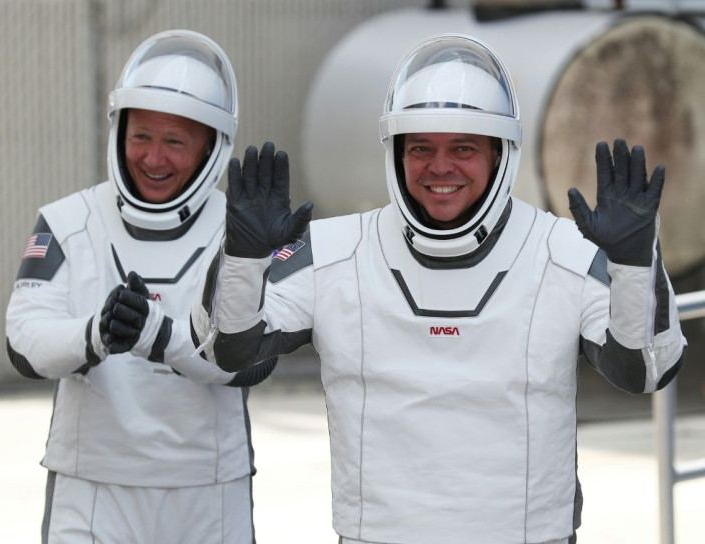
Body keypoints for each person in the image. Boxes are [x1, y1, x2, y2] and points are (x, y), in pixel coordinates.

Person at [191, 33, 687, 544]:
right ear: (397, 154)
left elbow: (644, 371)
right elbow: (230, 349)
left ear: (500, 154)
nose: (440, 167)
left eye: (464, 148)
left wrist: (634, 264)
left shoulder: (561, 249)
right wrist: (242, 257)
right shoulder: (334, 251)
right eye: (422, 147)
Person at [5, 29, 276, 543]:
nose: (153, 159)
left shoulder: (239, 229)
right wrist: (94, 334)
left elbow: (255, 360)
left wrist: (157, 334)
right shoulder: (68, 221)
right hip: (92, 490)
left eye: (174, 141)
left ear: (212, 148)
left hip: (207, 490)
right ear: (118, 132)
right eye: (141, 137)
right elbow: (24, 342)